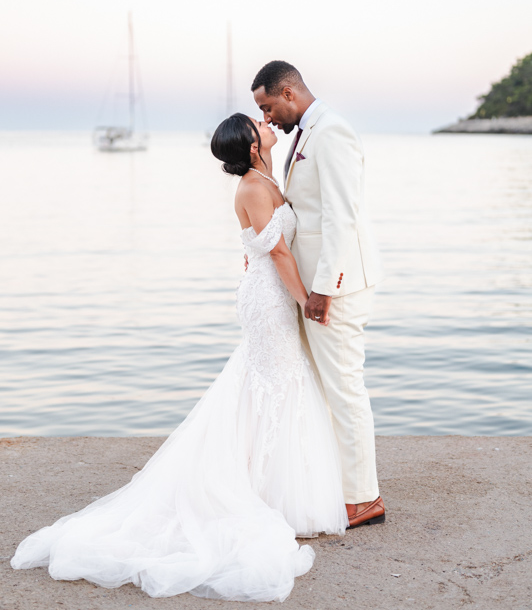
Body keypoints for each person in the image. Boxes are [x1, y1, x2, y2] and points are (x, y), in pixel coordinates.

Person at [11, 113, 347, 603]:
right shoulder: (254, 187)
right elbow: (277, 254)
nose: (265, 122)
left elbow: (255, 246)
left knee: (276, 381)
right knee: (275, 380)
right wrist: (306, 302)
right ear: (253, 147)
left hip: (268, 292)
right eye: (258, 124)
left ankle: (272, 484)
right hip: (271, 296)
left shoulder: (268, 176)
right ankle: (265, 491)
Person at [252, 60, 385, 528]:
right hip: (312, 288)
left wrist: (324, 290)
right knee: (326, 389)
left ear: (289, 93)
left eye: (268, 107)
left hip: (336, 288)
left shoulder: (332, 132)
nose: (267, 119)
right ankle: (339, 488)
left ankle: (364, 499)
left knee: (345, 387)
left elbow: (342, 218)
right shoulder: (307, 134)